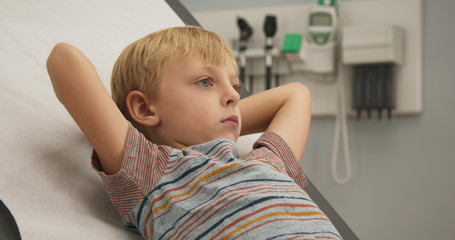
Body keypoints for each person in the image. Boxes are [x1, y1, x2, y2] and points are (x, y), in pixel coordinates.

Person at [47, 26, 341, 240]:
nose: (233, 96)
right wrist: (128, 125)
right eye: (205, 82)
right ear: (145, 109)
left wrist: (224, 119)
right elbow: (64, 60)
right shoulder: (153, 171)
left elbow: (296, 94)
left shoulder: (265, 163)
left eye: (235, 86)